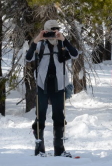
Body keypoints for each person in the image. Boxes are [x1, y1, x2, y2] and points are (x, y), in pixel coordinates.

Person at [25, 19, 79, 157]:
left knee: (59, 116)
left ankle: (59, 149)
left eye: (55, 30)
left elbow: (75, 54)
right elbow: (28, 57)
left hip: (58, 85)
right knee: (40, 116)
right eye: (50, 31)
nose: (52, 34)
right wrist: (37, 39)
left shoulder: (61, 44)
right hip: (42, 85)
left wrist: (64, 40)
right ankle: (39, 148)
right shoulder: (40, 45)